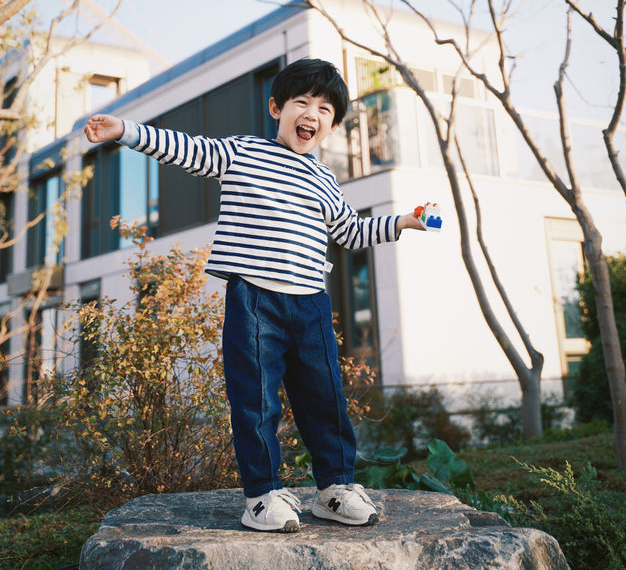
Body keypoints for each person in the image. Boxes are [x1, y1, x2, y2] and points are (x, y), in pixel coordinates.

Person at [84, 58, 425, 533]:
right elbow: (184, 148)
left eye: (325, 109)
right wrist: (124, 129)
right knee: (256, 401)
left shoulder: (325, 179)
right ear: (276, 108)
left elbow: (349, 231)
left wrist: (403, 222)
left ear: (331, 124)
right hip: (254, 300)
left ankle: (335, 487)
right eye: (302, 102)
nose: (313, 113)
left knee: (326, 399)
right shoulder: (243, 153)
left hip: (310, 303)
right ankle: (263, 496)